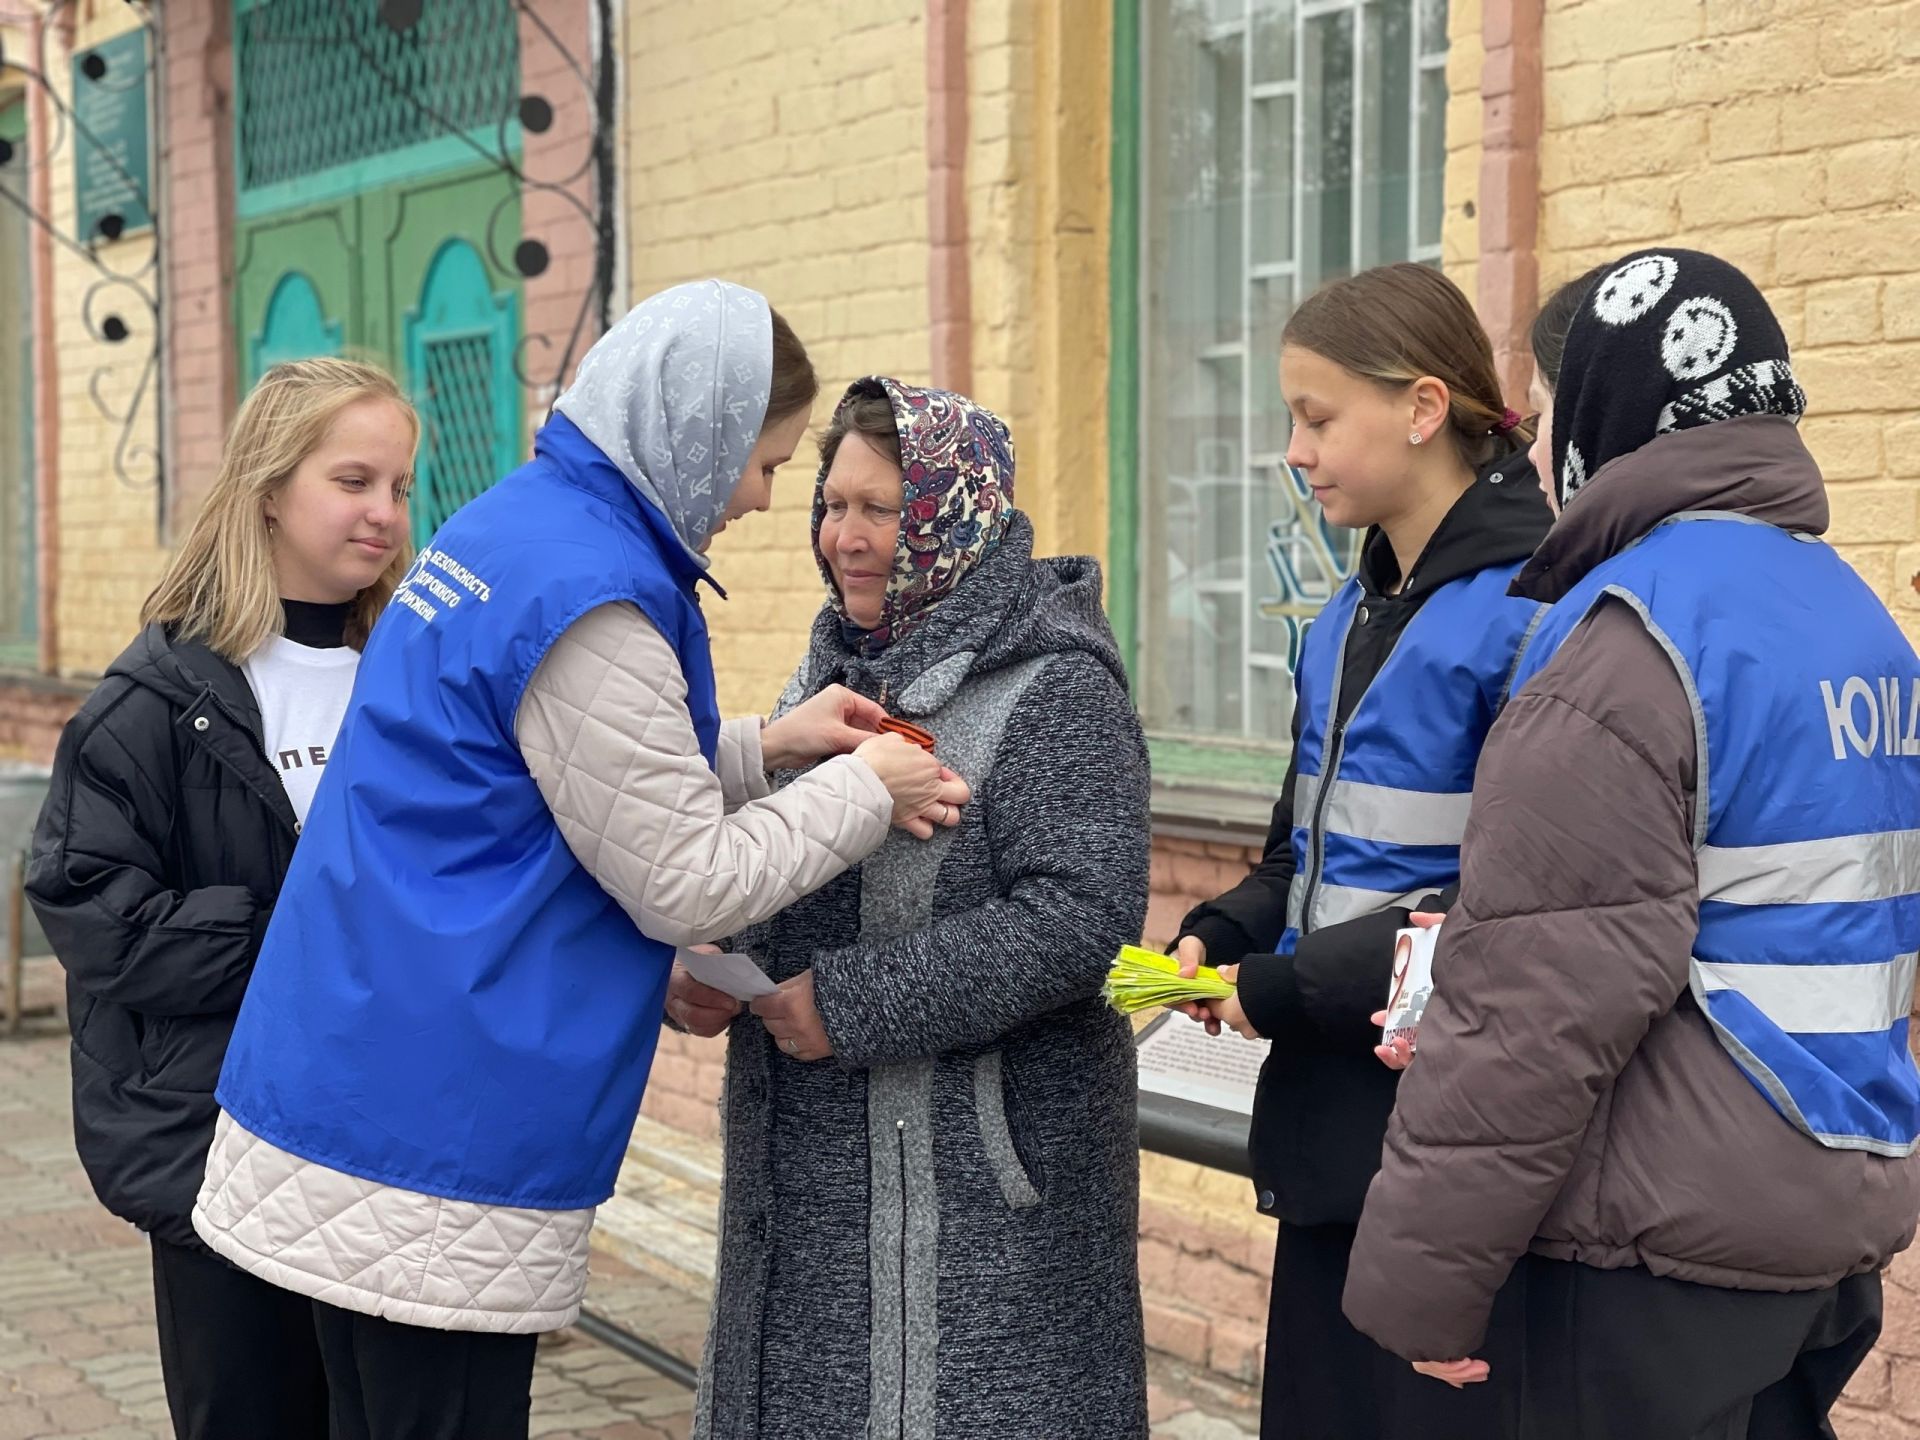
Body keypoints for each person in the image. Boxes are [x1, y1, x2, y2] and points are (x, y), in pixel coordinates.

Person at [190, 282, 968, 1440]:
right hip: (438, 1136)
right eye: (764, 460)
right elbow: (685, 878)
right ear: (697, 432)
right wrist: (868, 787)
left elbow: (541, 764)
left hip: (352, 1076)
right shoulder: (592, 595)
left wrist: (768, 746)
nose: (763, 498)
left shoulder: (519, 529)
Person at [1344, 249, 1920, 1439]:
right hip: (1830, 1211)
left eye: (1547, 413)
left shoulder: (1624, 645)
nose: (1536, 448)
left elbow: (1540, 999)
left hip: (1657, 1253)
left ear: (1605, 413)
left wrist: (1422, 1286)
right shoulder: (1854, 617)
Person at [687, 376, 1151, 1440]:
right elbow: (793, 865)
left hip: (984, 1200)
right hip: (813, 1172)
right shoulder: (830, 674)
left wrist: (848, 1004)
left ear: (954, 516)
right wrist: (717, 955)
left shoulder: (1056, 688)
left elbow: (1080, 918)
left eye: (881, 510)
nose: (845, 537)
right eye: (832, 504)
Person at [1168, 263, 1551, 1439]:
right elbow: (1305, 846)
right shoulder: (1342, 618)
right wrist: (1224, 928)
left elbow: (1518, 903)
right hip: (1333, 1118)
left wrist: (1278, 988)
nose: (1295, 450)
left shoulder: (1535, 612)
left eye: (1319, 417)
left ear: (1425, 408)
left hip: (1456, 1136)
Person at [27, 358, 418, 1439]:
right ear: (268, 488)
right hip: (216, 1147)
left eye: (400, 485)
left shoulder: (415, 673)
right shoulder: (156, 700)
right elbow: (92, 910)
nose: (384, 512)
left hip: (390, 1138)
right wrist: (297, 935)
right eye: (353, 480)